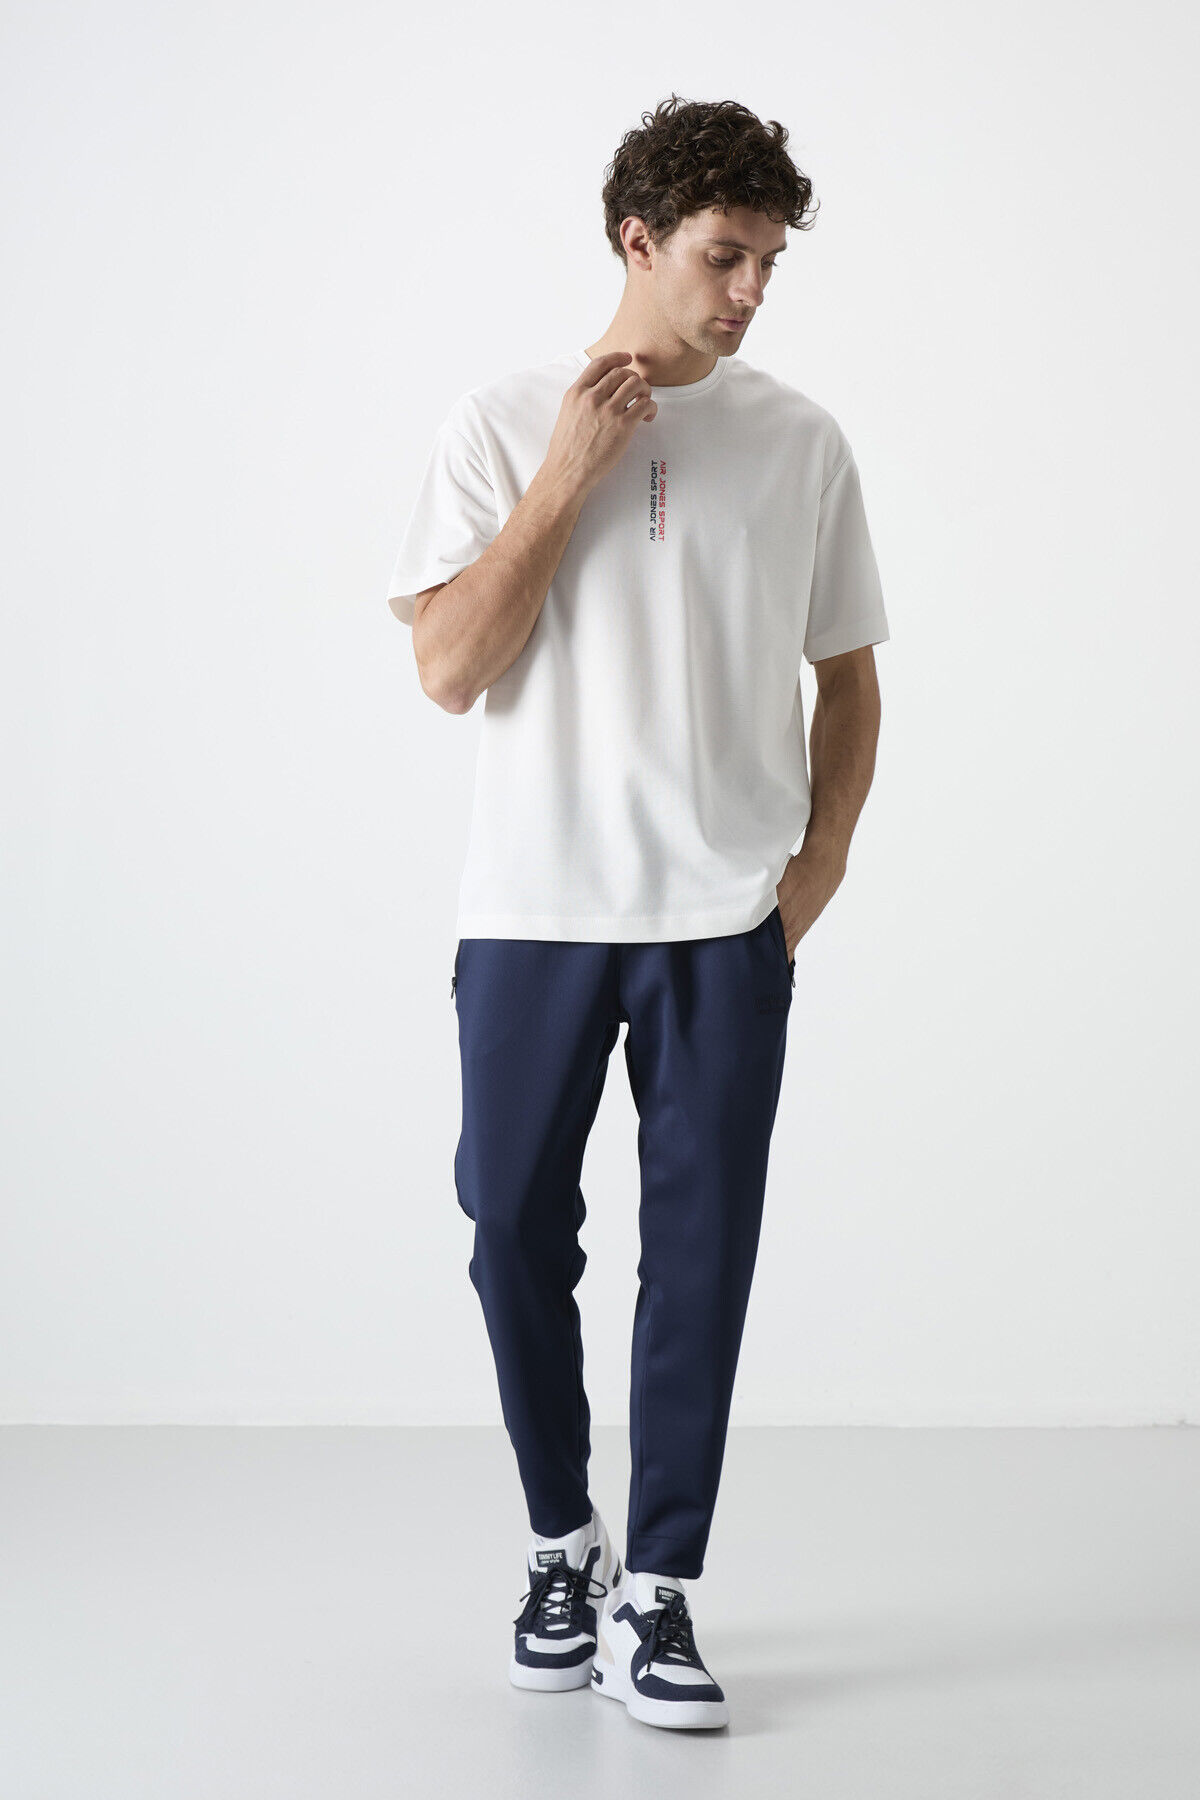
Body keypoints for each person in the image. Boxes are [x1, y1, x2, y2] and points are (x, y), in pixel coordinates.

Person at [384, 93, 889, 1732]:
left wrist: (814, 871)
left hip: (723, 925)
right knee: (511, 1231)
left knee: (703, 1261)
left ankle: (657, 1590)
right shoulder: (497, 421)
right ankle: (563, 1545)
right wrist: (569, 475)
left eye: (770, 263)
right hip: (534, 910)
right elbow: (449, 669)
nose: (752, 291)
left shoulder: (801, 442)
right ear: (638, 239)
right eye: (725, 256)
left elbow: (849, 677)